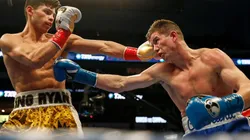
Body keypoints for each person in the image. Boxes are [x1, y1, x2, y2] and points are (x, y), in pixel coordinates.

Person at [53, 19, 250, 138]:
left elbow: (247, 88)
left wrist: (220, 107)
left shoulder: (211, 57)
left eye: (157, 41)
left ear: (173, 36)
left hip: (233, 126)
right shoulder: (162, 71)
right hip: (196, 133)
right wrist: (80, 75)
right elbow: (122, 83)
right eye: (151, 44)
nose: (154, 49)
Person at [0, 0, 156, 136]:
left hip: (60, 110)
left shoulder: (63, 40)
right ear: (30, 10)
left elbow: (104, 46)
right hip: (23, 112)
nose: (50, 18)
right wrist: (63, 33)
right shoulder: (9, 40)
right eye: (46, 12)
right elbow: (33, 59)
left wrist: (137, 54)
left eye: (53, 15)